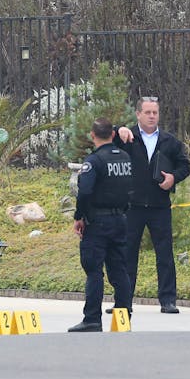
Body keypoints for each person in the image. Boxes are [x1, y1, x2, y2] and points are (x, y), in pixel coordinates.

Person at [113, 96, 190, 314]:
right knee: (126, 254)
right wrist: (119, 129)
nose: (151, 116)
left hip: (159, 206)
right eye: (147, 112)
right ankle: (123, 302)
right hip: (131, 206)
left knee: (164, 254)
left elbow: (185, 166)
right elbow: (102, 135)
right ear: (138, 114)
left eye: (154, 112)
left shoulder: (170, 141)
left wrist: (173, 178)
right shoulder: (127, 137)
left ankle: (168, 300)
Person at [68, 117, 134, 332]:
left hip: (98, 222)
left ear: (92, 135)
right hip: (121, 220)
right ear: (113, 135)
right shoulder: (124, 157)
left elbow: (85, 192)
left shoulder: (93, 162)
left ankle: (92, 319)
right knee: (119, 269)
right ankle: (123, 316)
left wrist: (79, 217)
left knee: (94, 270)